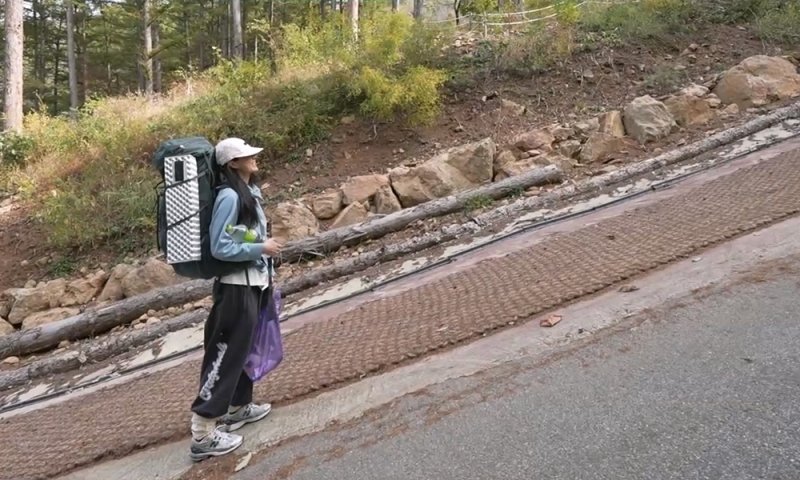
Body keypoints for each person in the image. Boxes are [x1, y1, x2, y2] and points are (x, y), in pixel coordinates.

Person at [189, 137, 282, 462]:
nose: (254, 157)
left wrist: (261, 251)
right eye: (246, 155)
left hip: (252, 285)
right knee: (225, 355)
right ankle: (202, 433)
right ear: (232, 164)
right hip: (235, 290)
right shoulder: (228, 196)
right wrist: (261, 249)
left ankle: (239, 407)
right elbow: (219, 246)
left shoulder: (247, 192)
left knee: (242, 349)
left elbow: (237, 234)